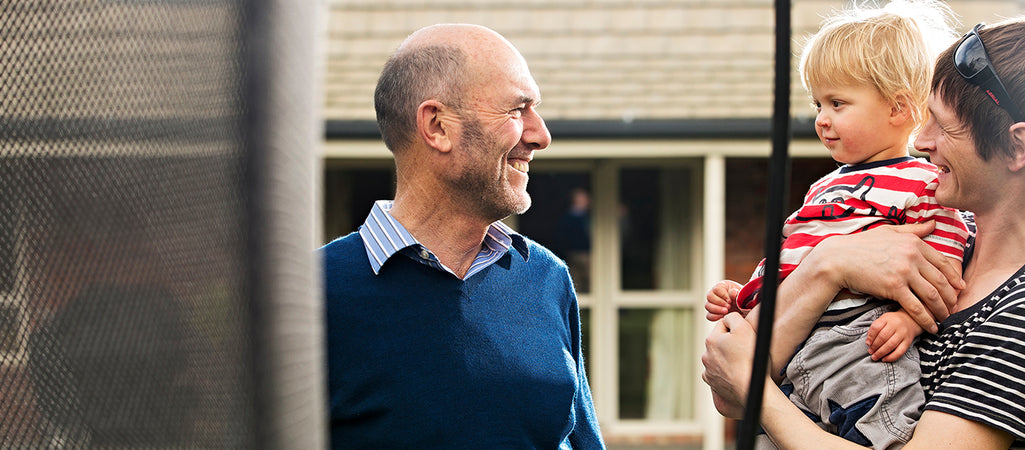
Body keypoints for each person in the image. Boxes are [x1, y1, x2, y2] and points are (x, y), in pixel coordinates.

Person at [702, 17, 1025, 449]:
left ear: (1017, 147)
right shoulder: (889, 242)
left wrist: (760, 396)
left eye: (942, 126)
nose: (921, 140)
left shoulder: (1014, 312)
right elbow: (728, 387)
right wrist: (830, 264)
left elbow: (744, 384)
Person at [320, 24, 605, 449]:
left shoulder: (546, 279)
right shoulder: (312, 293)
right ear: (437, 126)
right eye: (516, 110)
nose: (541, 135)